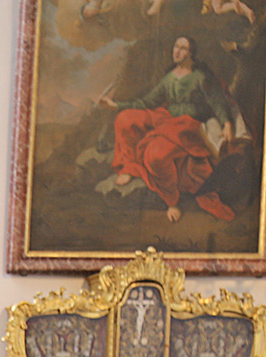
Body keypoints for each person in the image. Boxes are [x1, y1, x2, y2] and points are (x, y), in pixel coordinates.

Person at [98, 35, 243, 222]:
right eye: (176, 46)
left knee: (155, 155)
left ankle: (172, 202)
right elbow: (148, 102)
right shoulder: (170, 77)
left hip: (189, 126)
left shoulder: (201, 77)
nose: (177, 51)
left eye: (183, 48)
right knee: (125, 119)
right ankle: (130, 166)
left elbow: (218, 102)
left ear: (191, 53)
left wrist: (228, 123)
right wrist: (116, 106)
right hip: (167, 119)